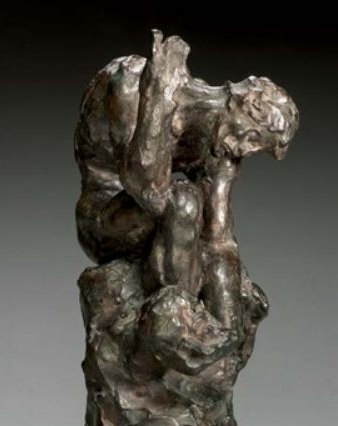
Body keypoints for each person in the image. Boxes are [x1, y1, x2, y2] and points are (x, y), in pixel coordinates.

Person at [75, 29, 299, 339]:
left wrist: (228, 324)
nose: (243, 149)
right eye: (251, 137)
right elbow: (144, 186)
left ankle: (189, 326)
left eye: (254, 148)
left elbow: (220, 240)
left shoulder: (222, 150)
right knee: (185, 203)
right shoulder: (132, 83)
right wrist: (156, 99)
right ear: (240, 105)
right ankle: (173, 315)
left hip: (167, 228)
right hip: (104, 219)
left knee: (230, 285)